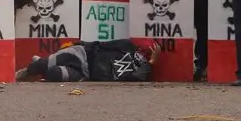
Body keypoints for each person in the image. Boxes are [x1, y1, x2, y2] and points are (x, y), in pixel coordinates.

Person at [16, 40, 161, 82]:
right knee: (41, 66)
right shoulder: (127, 46)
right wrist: (79, 44)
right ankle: (32, 67)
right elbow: (100, 45)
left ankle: (43, 63)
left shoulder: (141, 72)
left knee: (54, 74)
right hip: (82, 55)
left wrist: (153, 61)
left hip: (85, 74)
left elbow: (140, 76)